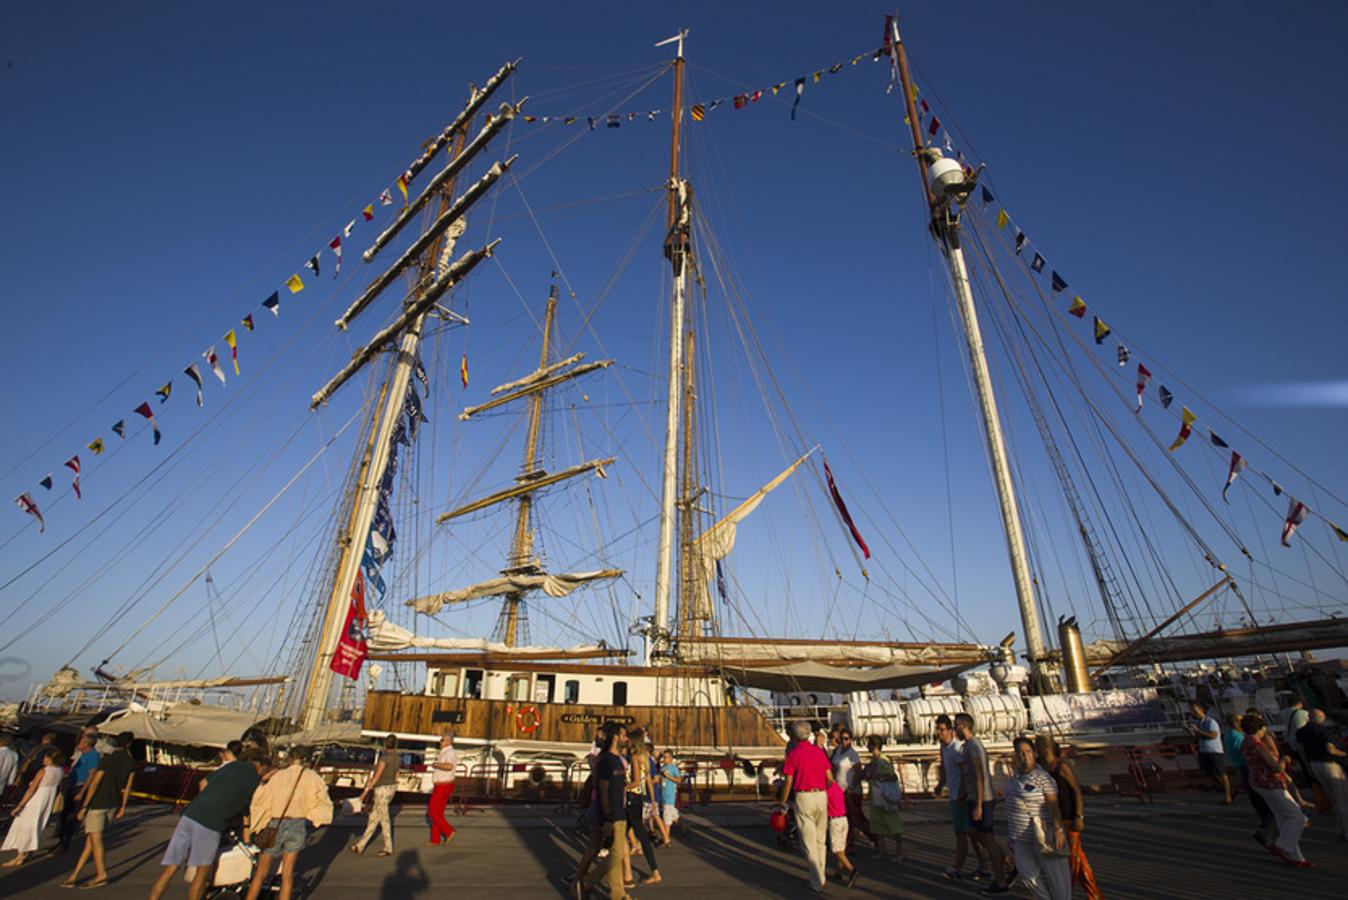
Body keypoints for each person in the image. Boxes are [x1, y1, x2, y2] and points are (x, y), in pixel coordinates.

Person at [148, 750, 264, 899]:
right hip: (211, 824)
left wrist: (207, 800)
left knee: (169, 870)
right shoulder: (254, 779)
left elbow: (203, 782)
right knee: (201, 874)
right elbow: (246, 813)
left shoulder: (232, 766)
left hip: (190, 815)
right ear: (261, 767)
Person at [243, 749, 332, 900]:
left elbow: (260, 800)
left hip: (275, 823)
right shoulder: (312, 777)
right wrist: (314, 817)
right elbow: (322, 800)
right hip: (297, 824)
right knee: (287, 874)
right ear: (305, 759)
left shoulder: (278, 775)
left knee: (261, 873)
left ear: (289, 759)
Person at [63, 731, 135, 889]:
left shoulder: (108, 759)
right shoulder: (130, 762)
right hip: (114, 803)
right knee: (91, 842)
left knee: (95, 840)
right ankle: (74, 875)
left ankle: (101, 874)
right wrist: (123, 807)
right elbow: (128, 787)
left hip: (98, 803)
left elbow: (95, 782)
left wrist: (84, 806)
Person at [1240, 712, 1311, 868]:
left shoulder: (1245, 743)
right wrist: (1285, 760)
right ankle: (1284, 845)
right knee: (1296, 816)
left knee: (1282, 817)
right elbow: (1275, 767)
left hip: (1258, 782)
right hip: (1270, 783)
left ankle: (1296, 856)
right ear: (1259, 729)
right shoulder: (1257, 745)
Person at [1035, 735, 1101, 900]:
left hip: (1069, 817)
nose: (1036, 749)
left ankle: (1069, 892)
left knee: (1072, 858)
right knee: (1076, 858)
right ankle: (1092, 894)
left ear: (1048, 748)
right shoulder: (1038, 766)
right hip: (1052, 817)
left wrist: (1079, 816)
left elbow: (1076, 791)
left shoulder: (1061, 766)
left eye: (1039, 746)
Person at [1003, 737, 1070, 900]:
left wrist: (1058, 829)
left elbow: (1053, 805)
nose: (1024, 756)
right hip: (1020, 837)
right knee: (1028, 874)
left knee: (1057, 878)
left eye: (1027, 752)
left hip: (1042, 833)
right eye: (1020, 753)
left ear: (1034, 753)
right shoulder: (1015, 776)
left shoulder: (1043, 778)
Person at [954, 712, 1011, 894]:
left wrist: (978, 804)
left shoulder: (973, 747)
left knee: (987, 838)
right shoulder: (968, 747)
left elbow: (979, 777)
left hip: (983, 799)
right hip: (974, 797)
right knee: (972, 831)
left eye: (956, 725)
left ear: (964, 726)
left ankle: (1001, 881)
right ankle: (1007, 861)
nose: (954, 729)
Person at [575, 722, 631, 900]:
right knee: (617, 854)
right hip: (612, 813)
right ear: (616, 737)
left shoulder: (617, 760)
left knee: (613, 853)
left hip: (619, 811)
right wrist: (608, 817)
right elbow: (603, 790)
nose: (626, 739)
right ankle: (588, 881)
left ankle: (617, 894)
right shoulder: (607, 760)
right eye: (623, 735)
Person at [777, 719, 835, 893]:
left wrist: (783, 801)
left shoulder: (794, 754)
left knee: (808, 842)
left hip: (804, 796)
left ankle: (816, 881)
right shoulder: (819, 752)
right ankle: (821, 875)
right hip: (821, 795)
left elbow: (788, 780)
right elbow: (829, 778)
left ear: (794, 736)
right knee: (820, 840)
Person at [934, 714, 989, 880]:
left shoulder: (958, 748)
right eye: (937, 729)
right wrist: (940, 785)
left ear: (950, 730)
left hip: (961, 798)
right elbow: (945, 769)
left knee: (963, 833)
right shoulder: (943, 748)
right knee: (972, 834)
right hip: (954, 796)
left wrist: (962, 795)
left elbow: (966, 774)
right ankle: (985, 866)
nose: (939, 733)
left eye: (942, 730)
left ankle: (957, 867)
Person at [0, 746, 65, 866]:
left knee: (25, 825)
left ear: (49, 758)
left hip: (36, 799)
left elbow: (32, 789)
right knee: (36, 825)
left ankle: (21, 855)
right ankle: (26, 851)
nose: (43, 759)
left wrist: (20, 805)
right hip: (47, 799)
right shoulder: (60, 770)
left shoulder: (44, 771)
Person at [1224, 713, 1276, 847]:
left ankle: (1266, 826)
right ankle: (1267, 831)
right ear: (1236, 723)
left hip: (1242, 769)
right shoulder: (1241, 738)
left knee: (1258, 800)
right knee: (1268, 802)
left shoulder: (1229, 735)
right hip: (1251, 770)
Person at [1297, 708, 1348, 839]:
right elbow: (1330, 749)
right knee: (1342, 798)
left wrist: (1308, 767)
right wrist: (1344, 754)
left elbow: (1301, 751)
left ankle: (1340, 828)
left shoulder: (1301, 732)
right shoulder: (1323, 731)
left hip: (1314, 764)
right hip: (1330, 765)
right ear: (1321, 718)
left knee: (1333, 797)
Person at [351, 733, 399, 856]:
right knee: (373, 818)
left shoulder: (384, 759)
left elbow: (376, 777)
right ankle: (360, 845)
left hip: (381, 789)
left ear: (384, 745)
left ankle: (388, 847)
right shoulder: (397, 758)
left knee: (384, 819)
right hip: (391, 788)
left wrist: (364, 793)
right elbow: (397, 775)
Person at [624, 727, 660, 886]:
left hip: (633, 797)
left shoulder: (634, 757)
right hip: (641, 798)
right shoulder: (645, 756)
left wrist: (623, 787)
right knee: (634, 835)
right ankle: (628, 873)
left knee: (625, 836)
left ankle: (651, 871)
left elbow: (637, 781)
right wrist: (652, 799)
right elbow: (647, 781)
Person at [862, 735, 905, 862]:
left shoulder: (882, 760)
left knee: (893, 824)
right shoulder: (874, 760)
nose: (867, 746)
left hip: (884, 796)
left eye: (869, 744)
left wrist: (876, 777)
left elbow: (892, 777)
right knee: (877, 824)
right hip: (876, 796)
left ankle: (900, 852)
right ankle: (882, 850)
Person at [831, 727, 872, 854]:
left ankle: (873, 837)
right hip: (839, 790)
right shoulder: (838, 751)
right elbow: (833, 767)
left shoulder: (852, 754)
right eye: (841, 739)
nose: (843, 741)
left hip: (850, 791)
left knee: (856, 818)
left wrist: (852, 787)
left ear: (851, 740)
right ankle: (848, 844)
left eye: (846, 739)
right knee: (845, 818)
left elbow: (858, 771)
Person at [58, 733, 100, 851]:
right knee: (65, 814)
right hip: (72, 784)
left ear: (86, 744)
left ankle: (64, 843)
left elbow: (92, 775)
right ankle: (61, 839)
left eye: (81, 742)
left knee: (72, 815)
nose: (78, 744)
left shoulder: (93, 756)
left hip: (79, 786)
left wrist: (82, 792)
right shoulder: (83, 754)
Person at [1185, 701, 1231, 803]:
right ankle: (1223, 788)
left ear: (1201, 711)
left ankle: (1228, 796)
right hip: (1204, 750)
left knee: (1222, 772)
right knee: (1207, 772)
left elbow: (1213, 736)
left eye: (1195, 711)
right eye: (1192, 711)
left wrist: (1197, 731)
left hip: (1214, 750)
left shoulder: (1211, 722)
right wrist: (1190, 732)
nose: (1193, 713)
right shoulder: (1199, 723)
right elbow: (1199, 737)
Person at [825, 778, 860, 887]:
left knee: (836, 849)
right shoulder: (837, 788)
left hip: (834, 820)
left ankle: (852, 870)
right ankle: (838, 872)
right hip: (843, 819)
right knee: (841, 848)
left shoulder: (826, 792)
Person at [427, 733, 459, 848]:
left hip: (443, 786)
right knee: (438, 813)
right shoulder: (447, 752)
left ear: (448, 741)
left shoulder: (449, 752)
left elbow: (449, 766)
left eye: (442, 740)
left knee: (432, 811)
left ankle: (449, 831)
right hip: (445, 784)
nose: (440, 742)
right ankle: (435, 840)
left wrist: (437, 765)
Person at [656, 749, 681, 842]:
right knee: (673, 815)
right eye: (663, 757)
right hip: (663, 794)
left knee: (666, 818)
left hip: (670, 796)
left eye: (666, 757)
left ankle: (666, 838)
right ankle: (683, 826)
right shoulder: (662, 768)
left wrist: (669, 776)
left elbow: (678, 780)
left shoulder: (674, 768)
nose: (664, 759)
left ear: (670, 758)